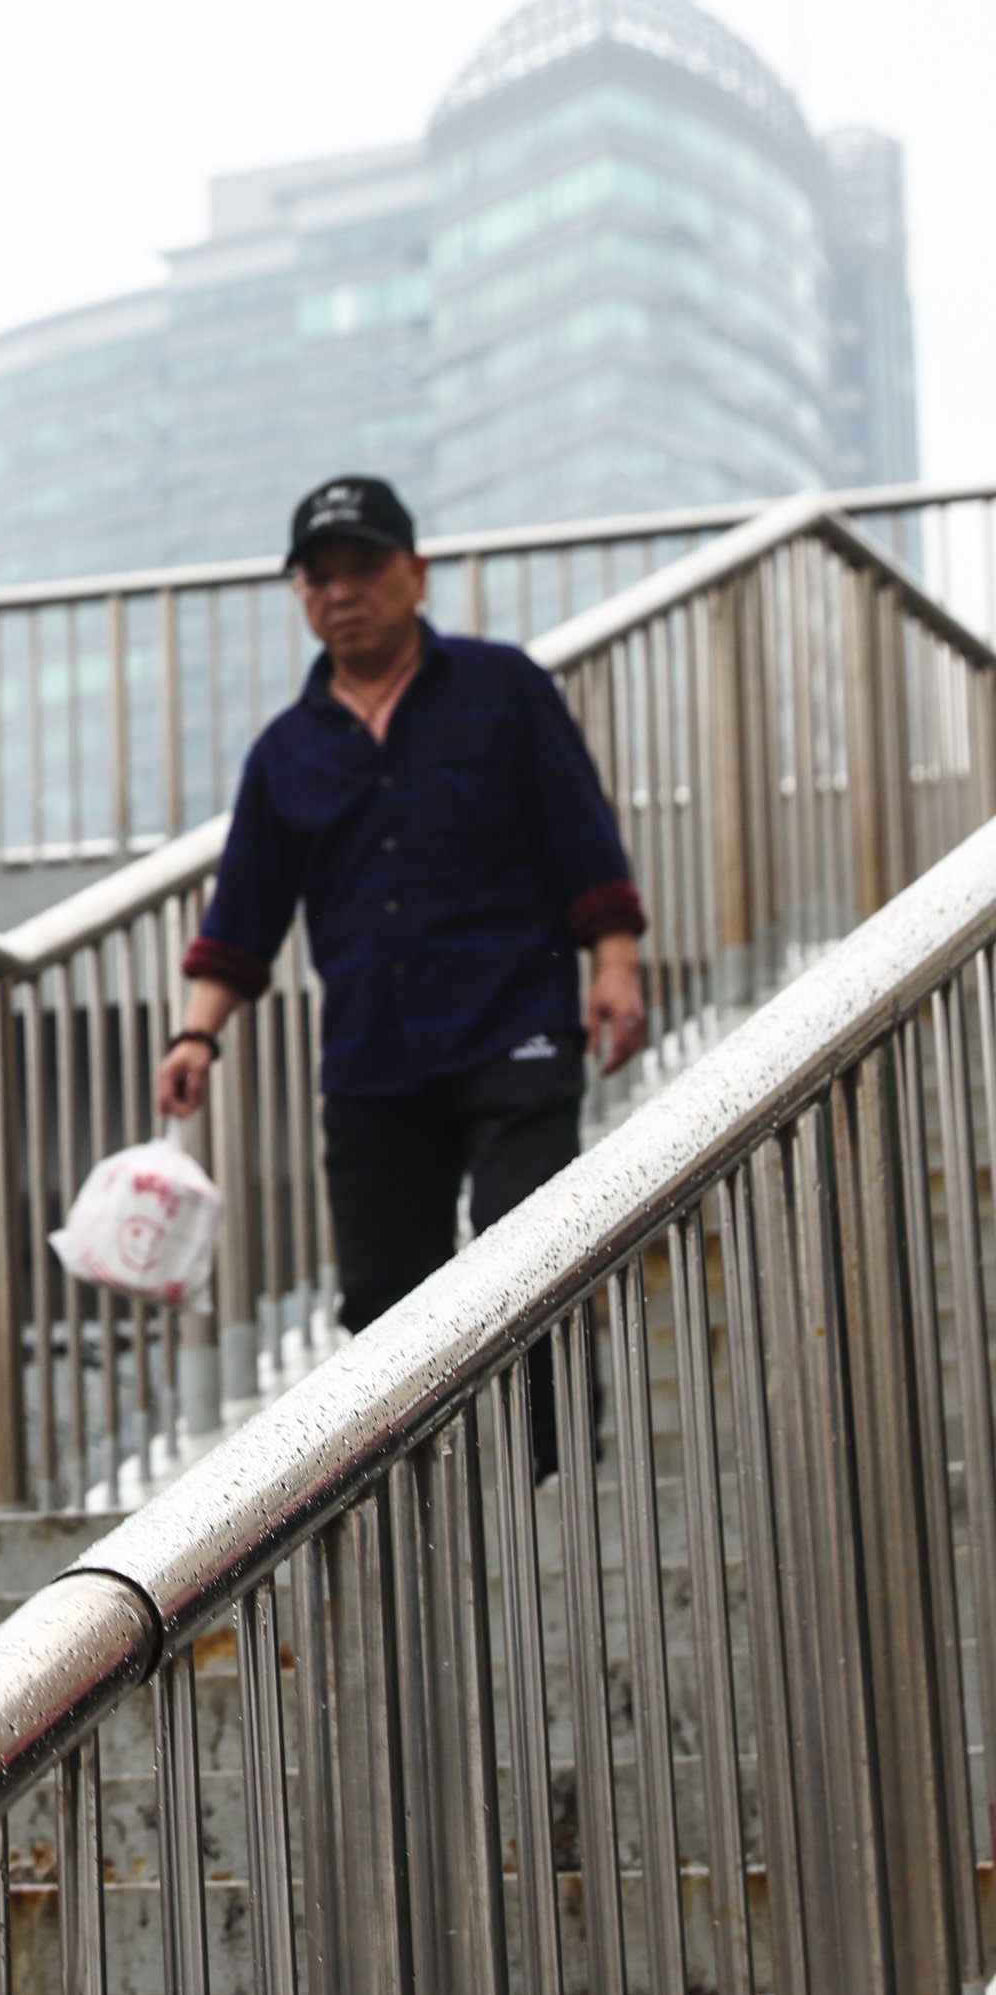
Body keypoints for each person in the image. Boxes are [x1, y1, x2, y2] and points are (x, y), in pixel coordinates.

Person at [157, 475, 650, 1369]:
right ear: (300, 596)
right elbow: (244, 914)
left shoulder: (503, 688)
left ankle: (544, 1475)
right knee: (385, 1308)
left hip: (515, 1025)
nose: (342, 592)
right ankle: (430, 1507)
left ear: (416, 573)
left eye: (364, 566)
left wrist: (615, 962)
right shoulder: (285, 752)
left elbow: (581, 834)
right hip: (372, 1058)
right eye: (318, 577)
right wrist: (196, 1036)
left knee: (530, 1261)